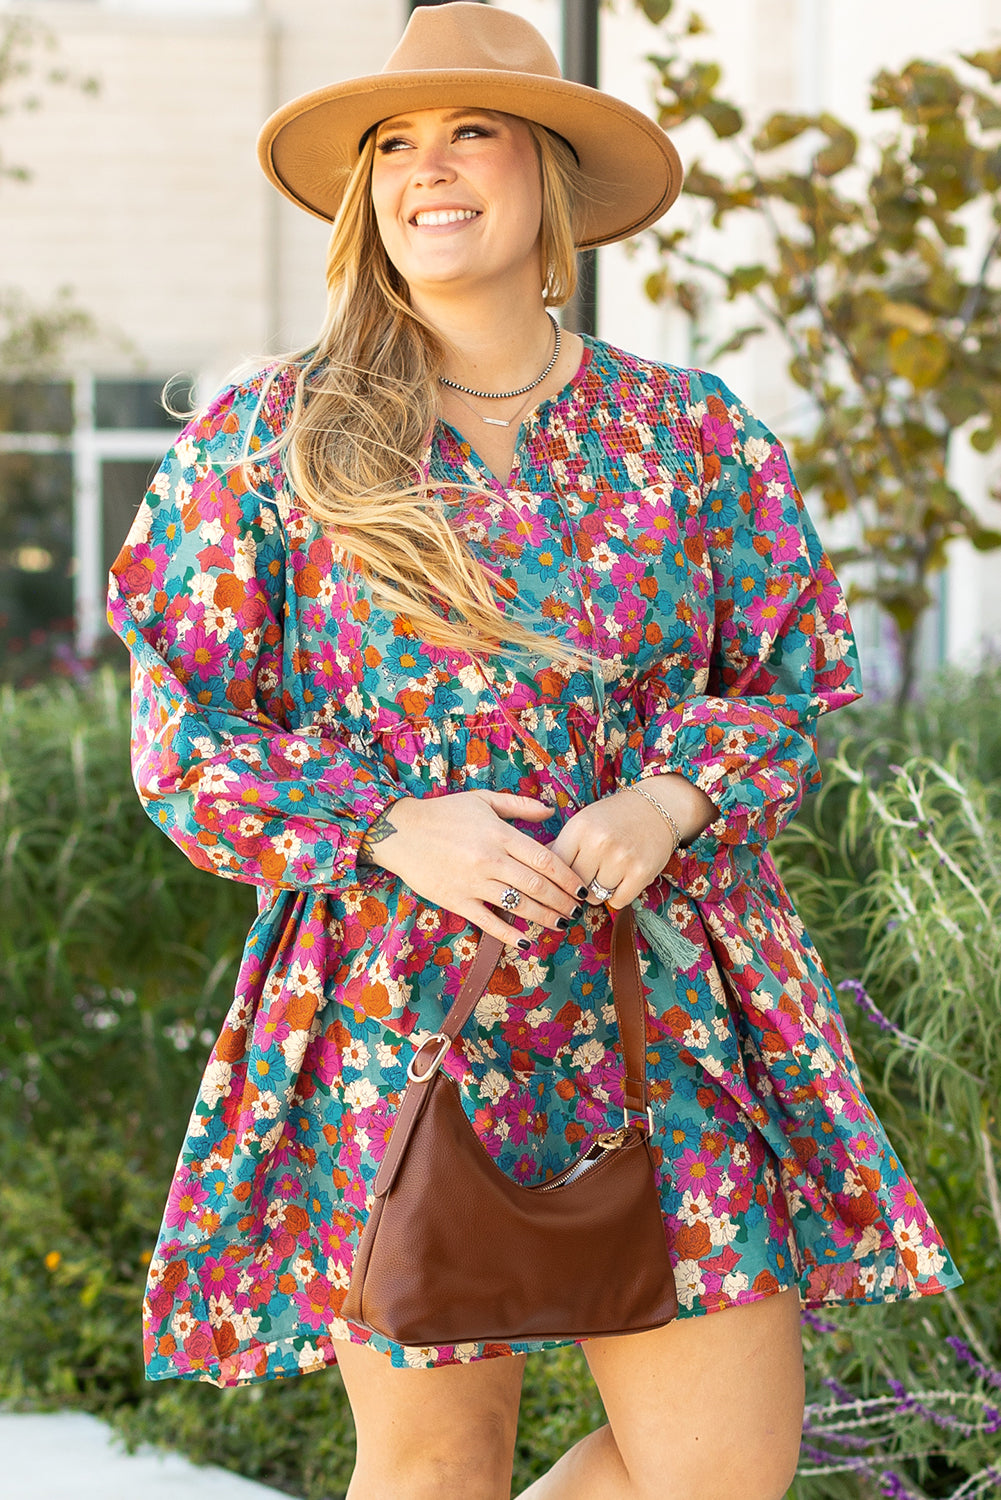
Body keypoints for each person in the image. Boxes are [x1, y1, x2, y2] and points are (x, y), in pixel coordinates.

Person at [108, 6, 961, 1498]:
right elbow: (184, 733)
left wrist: (671, 790)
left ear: (549, 178)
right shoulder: (272, 440)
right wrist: (391, 823)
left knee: (717, 1474)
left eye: (469, 134)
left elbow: (787, 679)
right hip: (396, 993)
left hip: (676, 991)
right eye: (393, 148)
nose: (425, 174)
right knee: (434, 1469)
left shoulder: (690, 435)